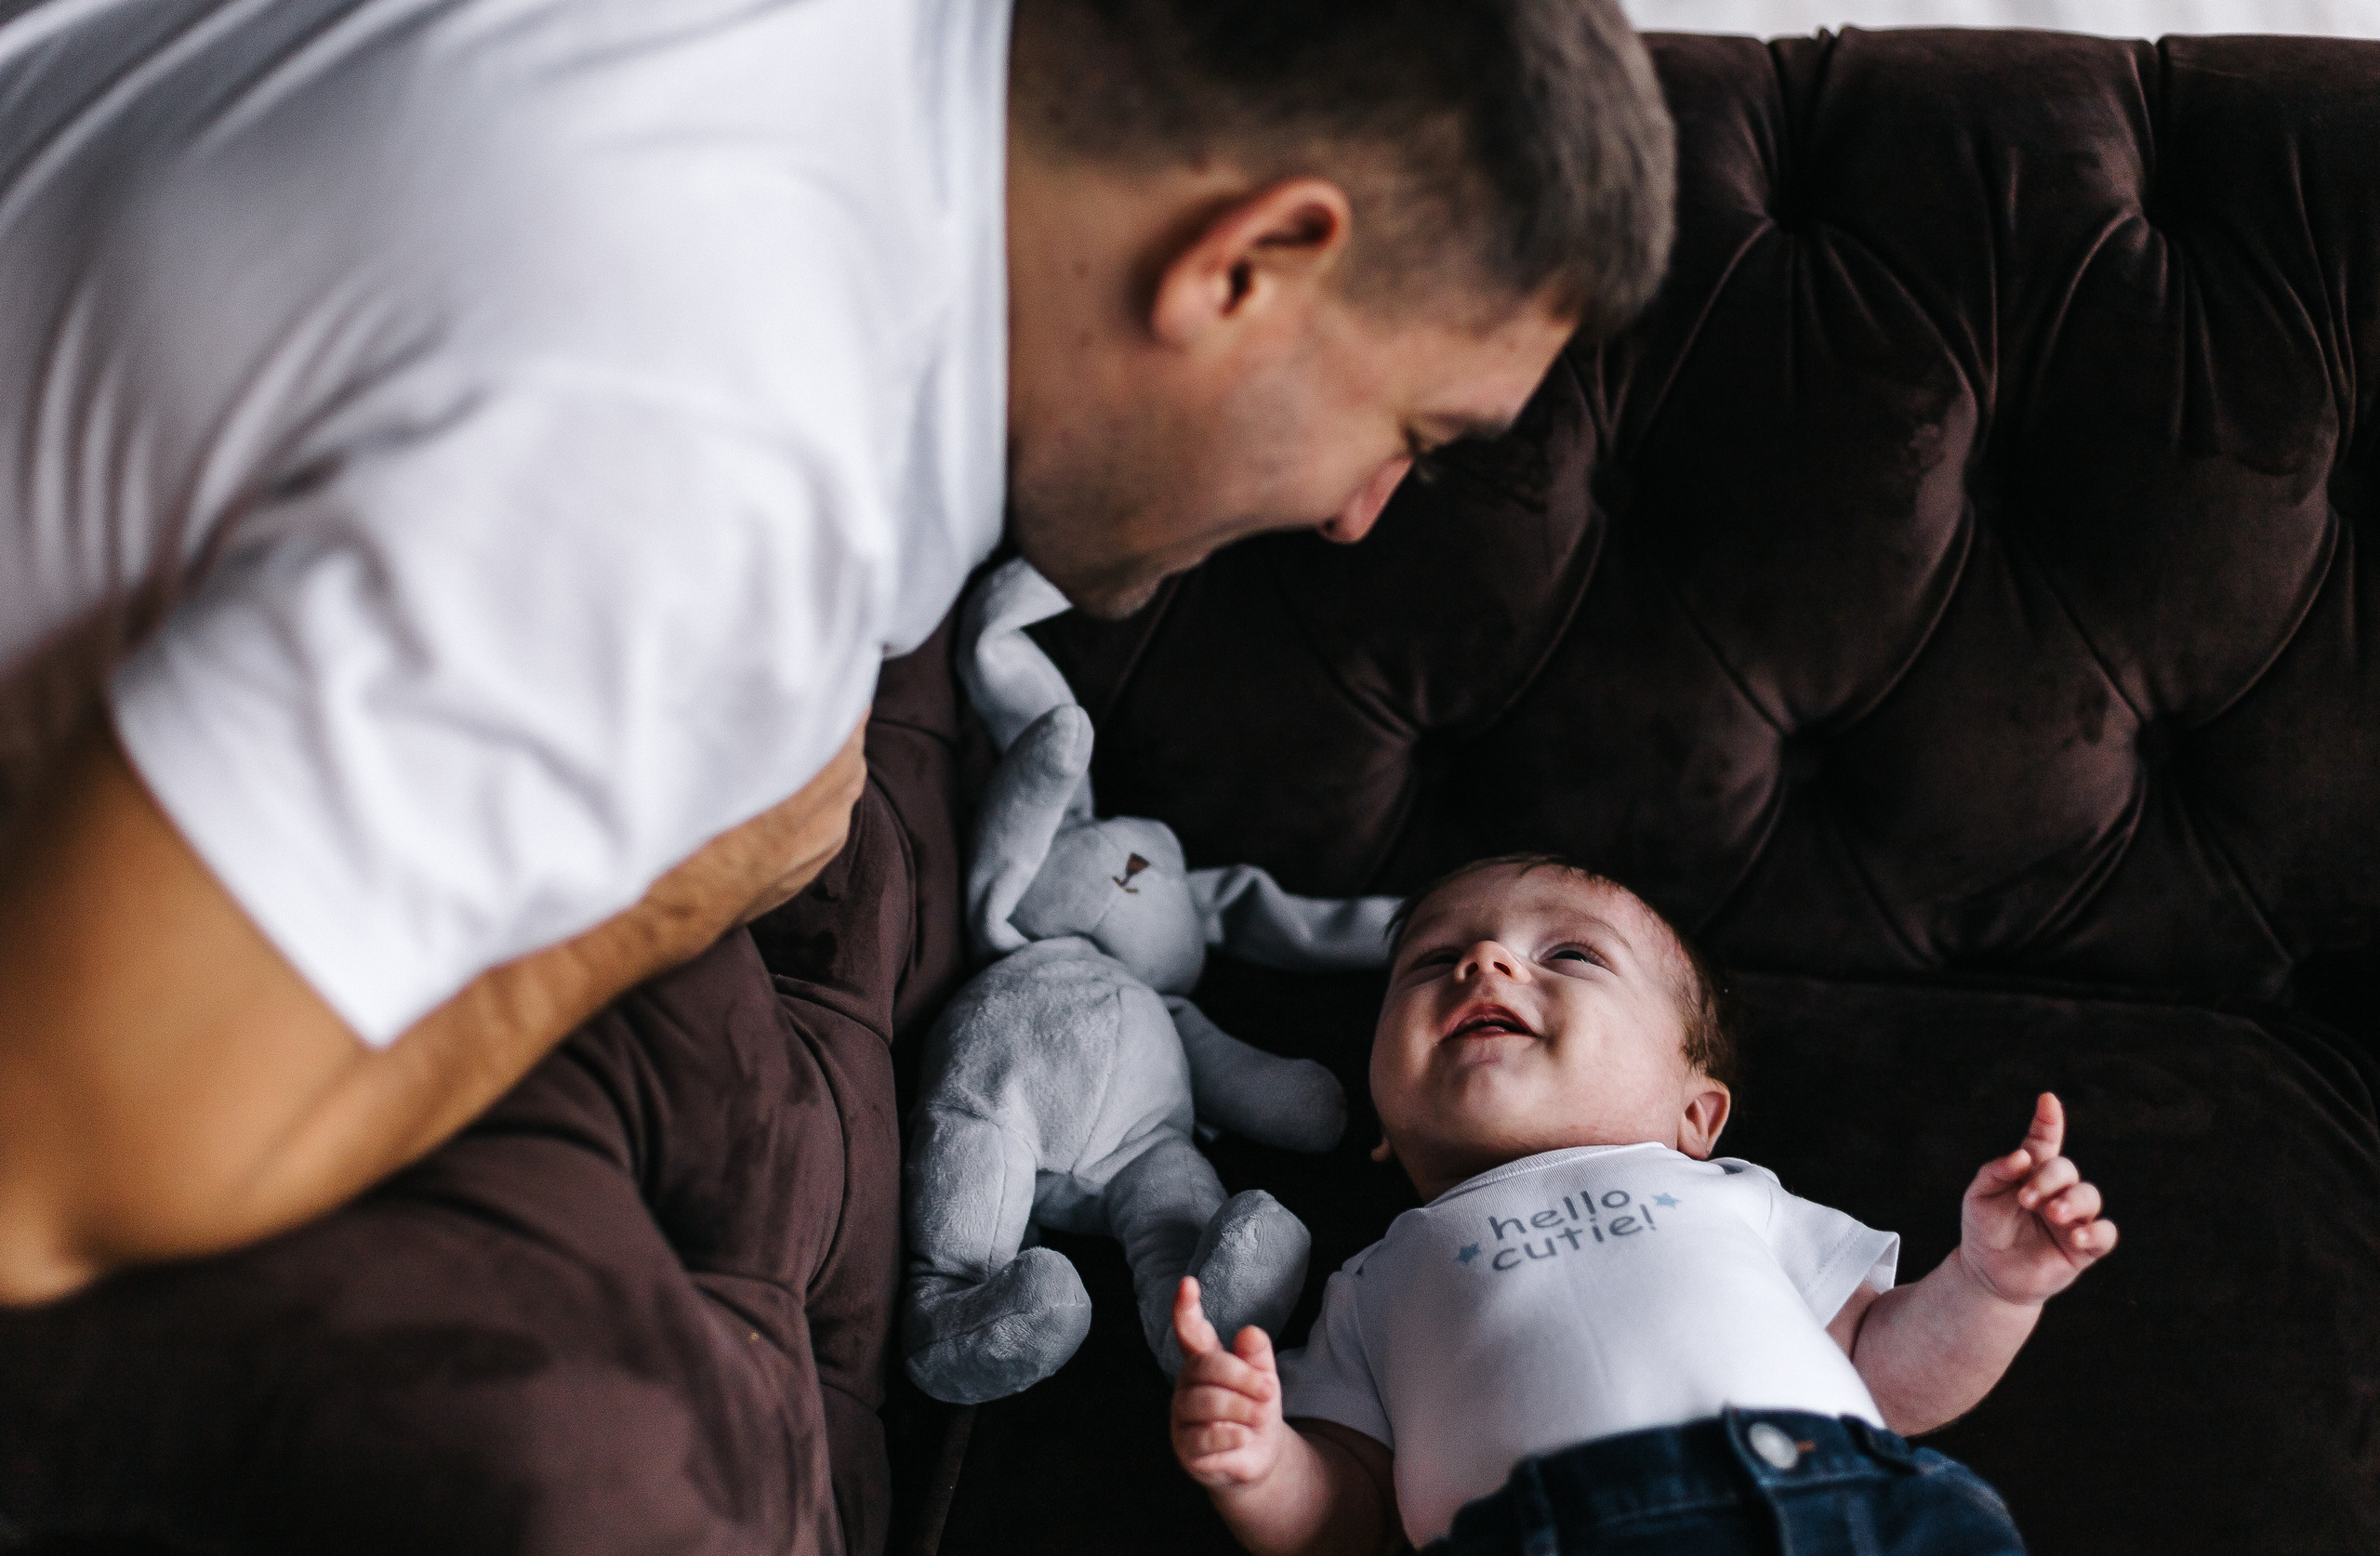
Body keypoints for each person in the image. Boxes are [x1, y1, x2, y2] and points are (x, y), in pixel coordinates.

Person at [0, 0, 1674, 1305]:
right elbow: (47, 1161)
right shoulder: (712, 427)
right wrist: (675, 899)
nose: (1362, 514)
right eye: (1408, 428)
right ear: (1246, 264)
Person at [1169, 855, 2120, 1555]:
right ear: (1383, 1126)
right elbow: (1353, 1516)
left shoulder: (1735, 1200)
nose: (1486, 961)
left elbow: (1883, 1378)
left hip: (1845, 1509)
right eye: (1430, 961)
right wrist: (1261, 1467)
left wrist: (1989, 1287)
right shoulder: (1370, 1284)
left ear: (1694, 1116)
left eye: (1571, 955)